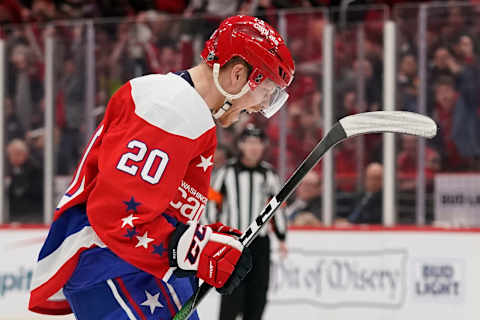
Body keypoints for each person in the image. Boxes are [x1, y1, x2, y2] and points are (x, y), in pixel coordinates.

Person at [28, 15, 294, 320]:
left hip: (137, 270)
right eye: (267, 91)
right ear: (238, 75)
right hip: (113, 268)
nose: (263, 105)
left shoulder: (184, 107)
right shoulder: (171, 108)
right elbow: (117, 215)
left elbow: (155, 206)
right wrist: (196, 248)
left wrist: (208, 239)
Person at [206, 124, 287, 320]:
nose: (254, 147)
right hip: (233, 241)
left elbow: (277, 209)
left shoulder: (269, 174)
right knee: (231, 296)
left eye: (258, 143)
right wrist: (210, 233)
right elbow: (211, 205)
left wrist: (282, 237)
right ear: (241, 145)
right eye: (249, 142)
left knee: (258, 296)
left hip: (260, 243)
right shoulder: (225, 172)